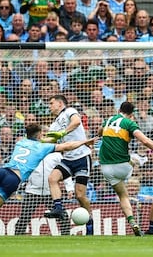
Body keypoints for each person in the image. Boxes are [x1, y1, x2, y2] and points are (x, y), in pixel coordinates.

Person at [99, 101, 153, 236]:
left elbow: (99, 132)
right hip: (123, 166)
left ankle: (132, 220)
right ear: (131, 114)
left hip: (105, 167)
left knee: (123, 195)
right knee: (134, 162)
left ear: (119, 110)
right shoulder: (129, 123)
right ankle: (133, 172)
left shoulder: (109, 119)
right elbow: (145, 141)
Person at [42, 95, 94, 234]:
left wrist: (63, 132)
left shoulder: (70, 111)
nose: (49, 106)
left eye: (51, 103)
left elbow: (77, 122)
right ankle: (58, 207)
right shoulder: (54, 124)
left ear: (60, 104)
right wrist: (37, 142)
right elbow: (50, 140)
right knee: (52, 178)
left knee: (80, 196)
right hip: (67, 159)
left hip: (82, 158)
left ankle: (90, 222)